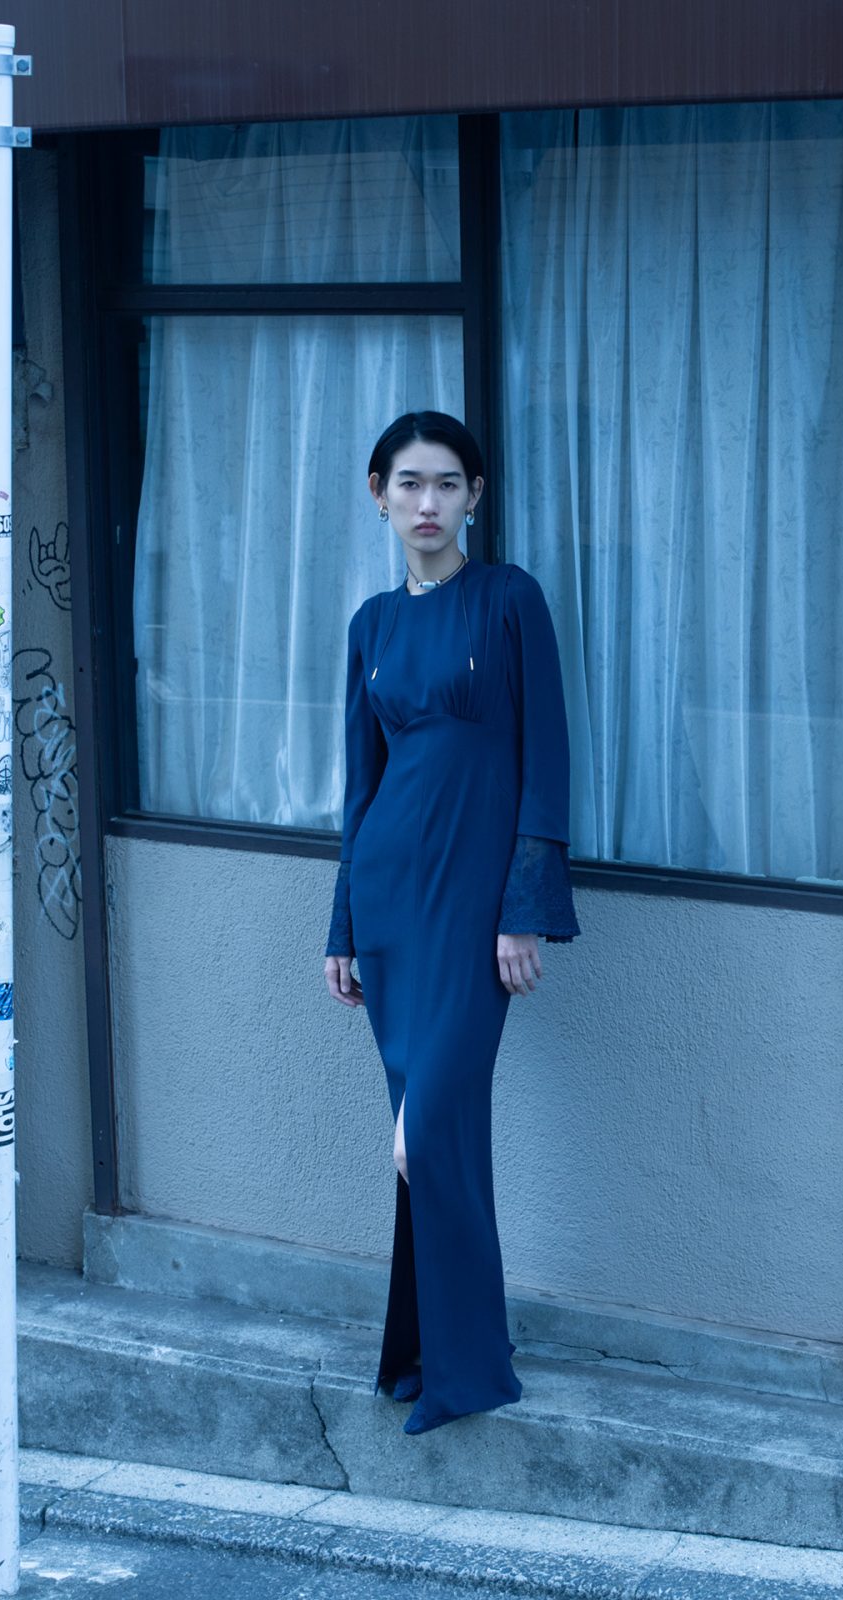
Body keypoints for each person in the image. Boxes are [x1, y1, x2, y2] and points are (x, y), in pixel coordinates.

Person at [323, 410, 582, 1435]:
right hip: (389, 903)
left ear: (475, 494)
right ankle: (429, 1358)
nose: (425, 503)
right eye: (407, 483)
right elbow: (359, 789)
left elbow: (546, 759)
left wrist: (524, 909)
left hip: (476, 913)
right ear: (378, 495)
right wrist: (340, 927)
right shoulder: (371, 626)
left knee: (426, 1134)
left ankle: (462, 1364)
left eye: (445, 483)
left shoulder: (509, 599)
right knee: (431, 1140)